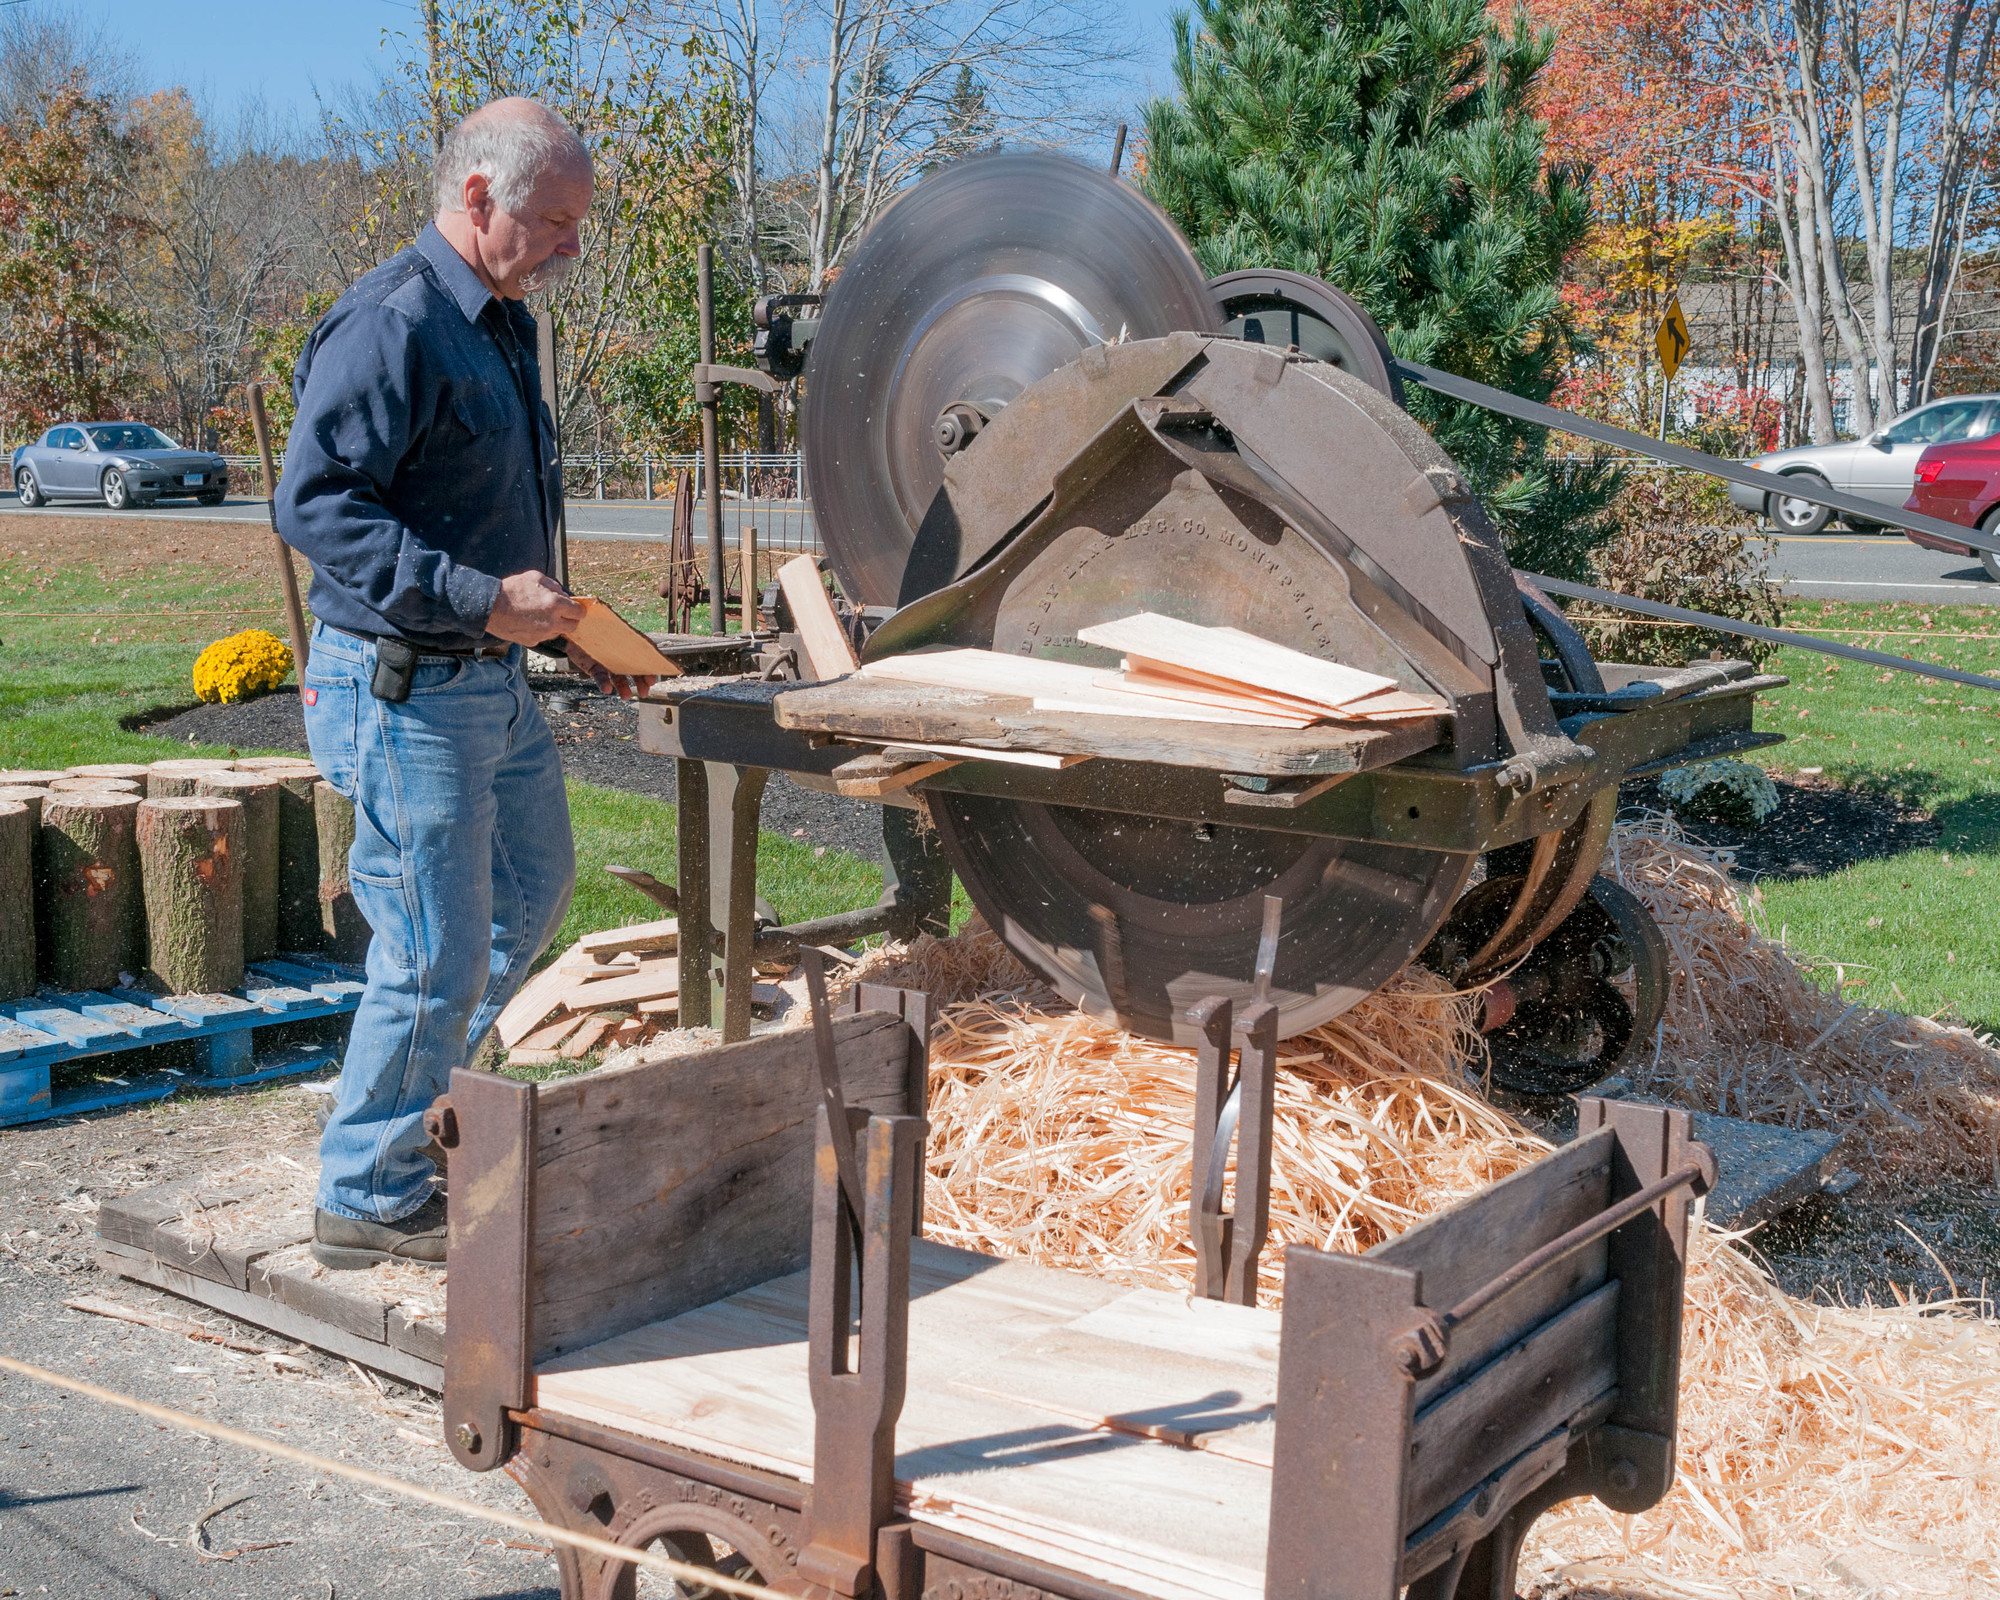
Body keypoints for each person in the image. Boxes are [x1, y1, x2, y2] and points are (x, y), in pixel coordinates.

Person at [278, 96, 652, 1269]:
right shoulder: (390, 322)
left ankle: (400, 1109)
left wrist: (561, 626)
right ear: (477, 196)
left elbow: (494, 505)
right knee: (437, 947)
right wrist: (485, 600)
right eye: (553, 221)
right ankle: (364, 1191)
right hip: (403, 687)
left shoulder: (498, 320)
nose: (570, 247)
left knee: (533, 889)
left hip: (486, 674)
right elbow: (316, 505)